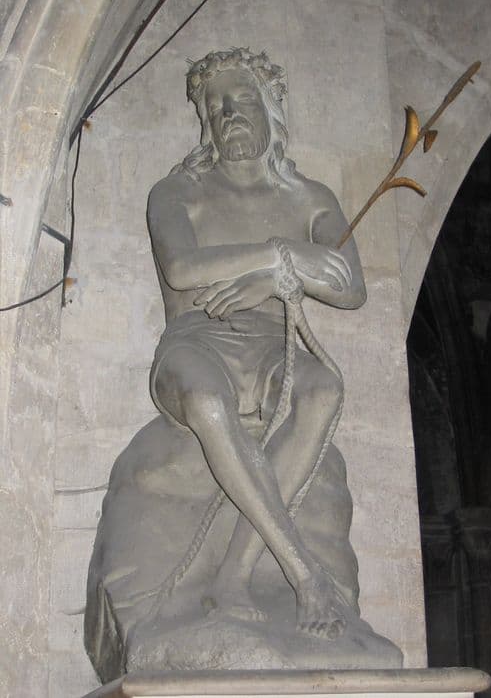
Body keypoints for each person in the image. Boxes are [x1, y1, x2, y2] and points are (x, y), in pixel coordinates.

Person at [147, 48, 366, 640]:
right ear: (205, 122)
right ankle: (303, 574)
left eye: (242, 99)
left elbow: (351, 286)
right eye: (216, 106)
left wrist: (271, 282)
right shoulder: (176, 191)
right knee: (206, 401)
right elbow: (183, 268)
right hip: (197, 343)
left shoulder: (311, 198)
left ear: (270, 109)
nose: (229, 114)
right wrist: (282, 254)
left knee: (324, 388)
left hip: (274, 347)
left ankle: (234, 575)